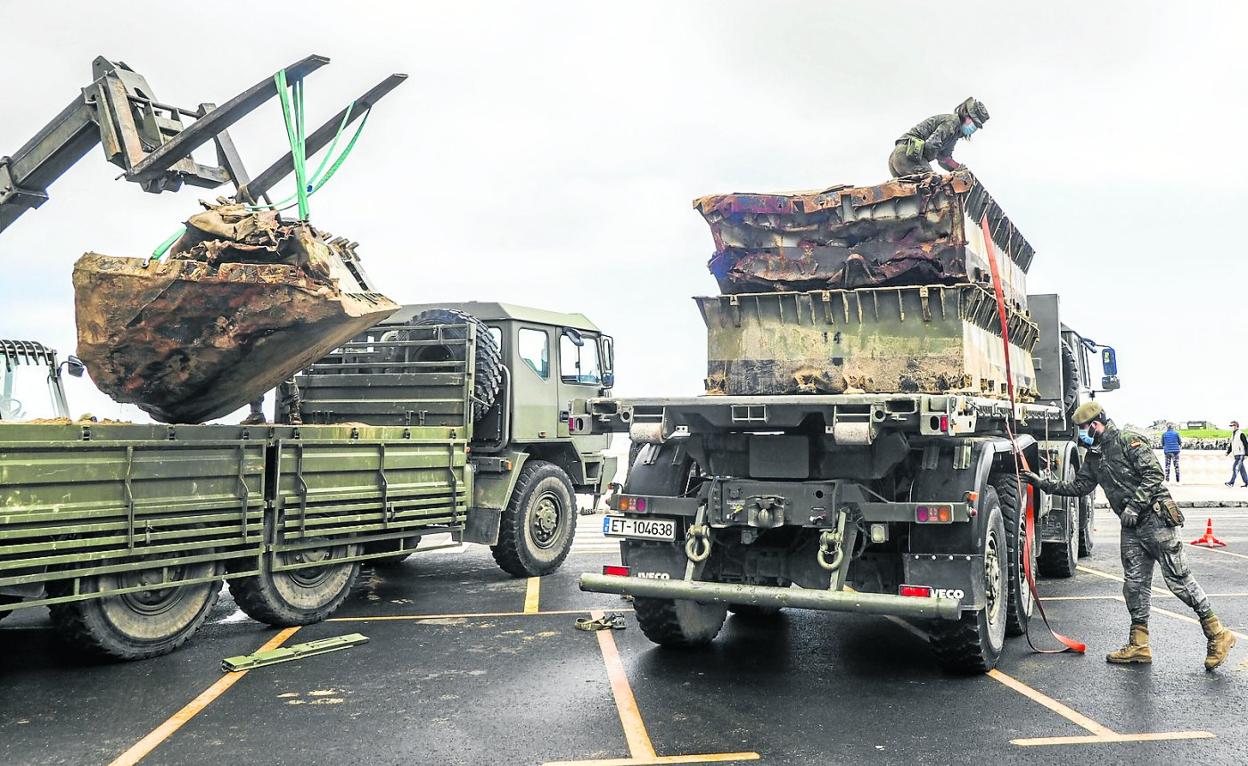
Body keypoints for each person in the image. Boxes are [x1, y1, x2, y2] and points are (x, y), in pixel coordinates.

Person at [1022, 402, 1236, 670]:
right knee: (1134, 585)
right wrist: (1041, 483)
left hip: (1156, 519)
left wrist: (1135, 505)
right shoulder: (1094, 456)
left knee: (1179, 581)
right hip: (1132, 527)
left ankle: (1218, 634)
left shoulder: (1128, 440)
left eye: (1084, 429)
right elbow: (1079, 486)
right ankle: (1139, 644)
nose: (1082, 435)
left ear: (1096, 424)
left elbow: (1154, 475)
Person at [888, 97, 990, 177]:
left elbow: (945, 159)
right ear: (966, 115)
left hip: (899, 158)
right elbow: (931, 146)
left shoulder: (954, 134)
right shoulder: (953, 122)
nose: (973, 127)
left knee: (917, 198)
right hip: (908, 156)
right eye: (973, 122)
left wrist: (959, 169)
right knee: (934, 185)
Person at [1226, 420, 1248, 487]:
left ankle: (1231, 482)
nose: (1231, 427)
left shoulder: (1241, 434)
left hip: (1241, 454)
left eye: (1232, 425)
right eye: (1230, 426)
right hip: (1236, 454)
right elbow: (1231, 445)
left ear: (1236, 426)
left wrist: (1247, 454)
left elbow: (1246, 444)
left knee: (1235, 467)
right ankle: (1247, 482)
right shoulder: (1232, 434)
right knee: (1241, 470)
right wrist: (1228, 452)